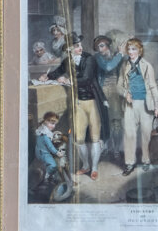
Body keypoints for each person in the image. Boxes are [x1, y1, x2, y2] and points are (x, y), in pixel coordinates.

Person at [42, 36, 110, 178]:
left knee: (95, 137)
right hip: (78, 102)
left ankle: (94, 168)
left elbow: (86, 78)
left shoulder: (89, 59)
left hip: (93, 101)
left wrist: (68, 80)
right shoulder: (67, 61)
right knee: (79, 139)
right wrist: (47, 76)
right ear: (69, 49)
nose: (80, 48)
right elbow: (57, 72)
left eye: (80, 45)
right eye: (76, 46)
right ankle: (85, 166)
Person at [113, 35, 158, 175]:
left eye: (134, 49)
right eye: (129, 49)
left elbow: (153, 87)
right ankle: (129, 163)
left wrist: (157, 107)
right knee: (129, 135)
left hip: (146, 105)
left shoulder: (147, 66)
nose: (130, 52)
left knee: (146, 134)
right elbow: (118, 86)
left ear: (140, 50)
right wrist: (126, 94)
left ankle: (146, 160)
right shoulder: (124, 66)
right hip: (130, 105)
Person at [29, 111, 68, 202]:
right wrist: (57, 153)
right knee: (53, 165)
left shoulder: (43, 130)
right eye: (52, 123)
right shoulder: (44, 134)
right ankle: (47, 176)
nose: (53, 126)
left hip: (42, 151)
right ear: (46, 121)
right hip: (43, 153)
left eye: (55, 124)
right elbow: (50, 146)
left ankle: (51, 178)